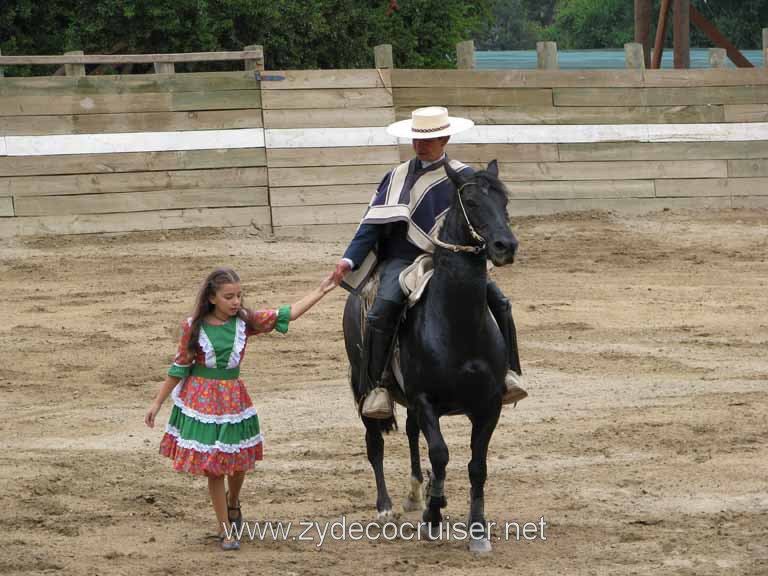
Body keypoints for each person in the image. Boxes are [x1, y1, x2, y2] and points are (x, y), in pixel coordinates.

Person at [331, 106, 527, 419]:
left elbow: (489, 220)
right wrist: (348, 259)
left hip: (456, 262)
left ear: (445, 138)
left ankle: (508, 373)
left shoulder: (467, 177)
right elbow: (372, 226)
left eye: (430, 138)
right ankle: (379, 386)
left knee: (500, 303)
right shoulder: (396, 177)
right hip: (404, 259)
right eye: (417, 138)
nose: (421, 145)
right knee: (382, 310)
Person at [144, 267, 335, 550]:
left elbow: (287, 314)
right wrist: (158, 401)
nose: (236, 302)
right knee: (214, 468)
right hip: (203, 403)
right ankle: (225, 530)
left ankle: (233, 503)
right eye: (229, 297)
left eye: (239, 296)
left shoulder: (245, 320)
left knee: (238, 462)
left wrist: (320, 291)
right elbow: (179, 366)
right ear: (212, 298)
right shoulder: (192, 327)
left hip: (233, 401)